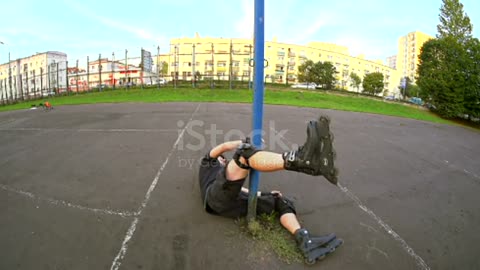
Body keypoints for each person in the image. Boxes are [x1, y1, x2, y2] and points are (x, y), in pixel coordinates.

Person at [198, 116, 341, 261]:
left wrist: (266, 194)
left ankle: (304, 240)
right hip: (214, 198)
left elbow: (241, 191)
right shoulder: (208, 163)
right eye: (223, 159)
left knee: (279, 201)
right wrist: (242, 142)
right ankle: (300, 159)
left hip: (232, 203)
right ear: (218, 159)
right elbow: (222, 147)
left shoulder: (226, 178)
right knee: (244, 154)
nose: (225, 160)